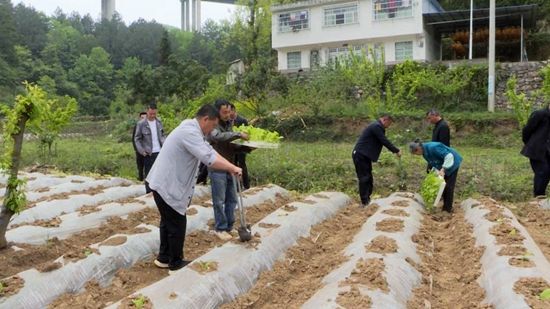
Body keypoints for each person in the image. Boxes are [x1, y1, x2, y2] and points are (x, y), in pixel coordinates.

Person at [146, 104, 242, 275]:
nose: (212, 130)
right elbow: (208, 158)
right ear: (206, 119)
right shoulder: (189, 132)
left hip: (165, 183)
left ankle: (164, 257)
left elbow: (209, 150)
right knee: (176, 223)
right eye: (213, 125)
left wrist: (230, 165)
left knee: (168, 222)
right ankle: (175, 264)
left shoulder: (191, 129)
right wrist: (230, 168)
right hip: (168, 185)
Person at [208, 99, 251, 241]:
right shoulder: (212, 126)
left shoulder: (230, 124)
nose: (228, 115)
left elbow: (232, 145)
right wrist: (238, 134)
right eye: (224, 112)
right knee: (219, 200)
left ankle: (229, 226)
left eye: (229, 111)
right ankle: (220, 228)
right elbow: (219, 137)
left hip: (230, 166)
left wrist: (246, 148)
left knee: (232, 199)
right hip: (217, 167)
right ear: (217, 112)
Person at [352, 114, 402, 208]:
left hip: (364, 155)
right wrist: (396, 150)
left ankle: (367, 199)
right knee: (364, 178)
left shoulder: (376, 126)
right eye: (389, 124)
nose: (388, 126)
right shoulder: (376, 126)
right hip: (360, 155)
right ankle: (364, 202)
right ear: (385, 120)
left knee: (369, 177)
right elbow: (384, 140)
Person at [409, 139, 462, 213]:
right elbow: (434, 162)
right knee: (442, 185)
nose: (416, 155)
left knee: (449, 187)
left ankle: (447, 209)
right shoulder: (424, 153)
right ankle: (445, 205)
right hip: (443, 165)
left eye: (415, 153)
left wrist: (443, 169)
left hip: (452, 163)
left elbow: (449, 156)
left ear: (418, 149)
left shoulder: (433, 147)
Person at [134, 104, 165, 193]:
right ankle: (149, 192)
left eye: (154, 114)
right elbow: (137, 138)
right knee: (149, 173)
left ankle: (159, 191)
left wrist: (165, 144)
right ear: (147, 111)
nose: (152, 116)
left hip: (159, 150)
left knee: (160, 172)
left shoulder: (159, 121)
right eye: (151, 114)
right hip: (148, 152)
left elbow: (162, 134)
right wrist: (141, 150)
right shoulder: (141, 124)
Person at [521, 105, 550, 199]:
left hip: (548, 150)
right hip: (536, 149)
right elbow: (527, 130)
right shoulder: (539, 114)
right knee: (542, 171)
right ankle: (539, 195)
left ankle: (541, 194)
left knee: (547, 172)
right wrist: (530, 143)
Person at [230, 103, 251, 190]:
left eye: (230, 111)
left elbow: (247, 132)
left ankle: (246, 185)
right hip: (232, 146)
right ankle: (237, 186)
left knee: (242, 164)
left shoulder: (242, 120)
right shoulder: (228, 121)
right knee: (233, 164)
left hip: (242, 146)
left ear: (234, 111)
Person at [426, 109, 451, 173]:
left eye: (430, 118)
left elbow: (444, 144)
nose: (429, 120)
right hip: (435, 153)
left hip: (440, 155)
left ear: (435, 115)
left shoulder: (443, 126)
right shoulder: (437, 125)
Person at [132, 112, 147, 181]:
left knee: (148, 166)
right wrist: (137, 149)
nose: (143, 119)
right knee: (140, 166)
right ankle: (140, 178)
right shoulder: (137, 126)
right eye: (142, 117)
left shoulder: (148, 126)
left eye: (145, 117)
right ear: (139, 118)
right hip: (139, 150)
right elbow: (134, 139)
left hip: (147, 150)